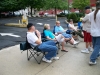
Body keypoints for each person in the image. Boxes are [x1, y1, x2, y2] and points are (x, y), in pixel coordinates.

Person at [89, 0, 100, 65]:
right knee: (97, 46)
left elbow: (91, 22)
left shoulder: (91, 13)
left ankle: (97, 54)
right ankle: (92, 60)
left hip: (93, 32)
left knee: (95, 46)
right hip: (99, 33)